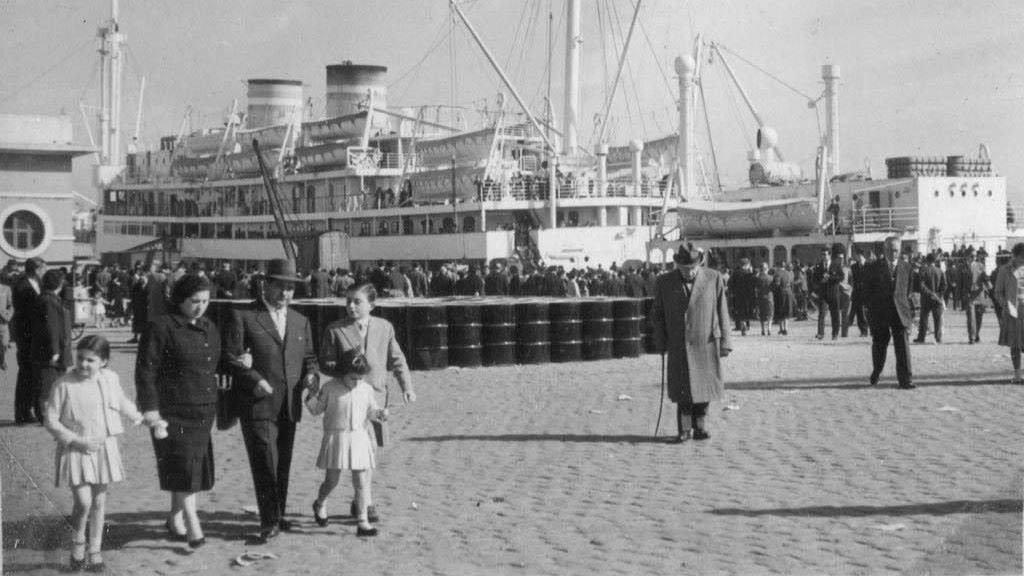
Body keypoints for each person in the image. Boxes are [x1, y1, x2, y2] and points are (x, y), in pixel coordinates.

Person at [224, 259, 319, 542]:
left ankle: (278, 513)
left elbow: (309, 359)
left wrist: (312, 376)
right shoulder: (243, 316)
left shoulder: (301, 321)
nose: (286, 294)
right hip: (257, 402)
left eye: (291, 289)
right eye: (281, 287)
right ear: (266, 285)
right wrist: (254, 378)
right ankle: (268, 521)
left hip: (289, 403)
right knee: (265, 460)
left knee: (283, 461)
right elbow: (230, 358)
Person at [44, 335, 149, 572]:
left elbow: (121, 401)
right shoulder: (64, 383)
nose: (83, 364)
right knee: (83, 501)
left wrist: (138, 417)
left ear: (104, 361)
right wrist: (76, 441)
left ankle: (95, 550)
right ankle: (77, 542)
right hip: (76, 449)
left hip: (103, 448)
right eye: (80, 358)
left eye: (90, 360)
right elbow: (50, 420)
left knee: (100, 501)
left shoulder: (110, 379)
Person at [136, 274, 223, 548]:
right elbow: (145, 372)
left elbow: (217, 365)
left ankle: (175, 519)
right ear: (180, 300)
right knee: (184, 467)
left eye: (205, 301)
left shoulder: (210, 326)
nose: (200, 306)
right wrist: (150, 409)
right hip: (172, 411)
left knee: (189, 468)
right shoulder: (160, 327)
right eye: (194, 301)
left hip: (203, 409)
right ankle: (193, 526)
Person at [317, 282, 415, 527]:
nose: (350, 306)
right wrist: (344, 371)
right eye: (347, 301)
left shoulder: (384, 327)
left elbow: (397, 358)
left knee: (369, 452)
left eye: (357, 301)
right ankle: (367, 502)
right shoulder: (335, 329)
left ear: (371, 304)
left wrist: (407, 387)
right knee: (360, 449)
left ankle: (361, 500)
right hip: (347, 398)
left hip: (375, 397)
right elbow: (325, 362)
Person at [650, 246, 732, 443]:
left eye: (692, 267)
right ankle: (685, 430)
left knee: (704, 389)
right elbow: (657, 315)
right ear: (677, 265)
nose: (689, 271)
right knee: (683, 390)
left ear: (700, 263)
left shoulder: (713, 278)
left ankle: (701, 427)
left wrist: (726, 342)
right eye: (685, 268)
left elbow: (723, 311)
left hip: (706, 342)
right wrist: (660, 341)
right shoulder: (664, 282)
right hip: (679, 344)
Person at [306, 352, 388, 537]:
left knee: (360, 481)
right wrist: (310, 394)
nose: (356, 381)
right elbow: (315, 409)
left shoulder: (366, 389)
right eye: (353, 377)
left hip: (359, 438)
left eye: (360, 377)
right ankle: (319, 503)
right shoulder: (329, 388)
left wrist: (379, 414)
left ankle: (362, 522)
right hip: (337, 438)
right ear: (342, 372)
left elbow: (371, 411)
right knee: (332, 481)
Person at [862, 236, 914, 388]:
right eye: (890, 250)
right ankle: (877, 372)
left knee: (903, 347)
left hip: (900, 313)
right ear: (885, 250)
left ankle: (906, 380)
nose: (893, 254)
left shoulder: (907, 268)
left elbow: (908, 291)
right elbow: (867, 291)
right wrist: (870, 312)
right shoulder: (873, 267)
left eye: (896, 250)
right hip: (880, 313)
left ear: (900, 250)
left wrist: (909, 314)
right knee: (879, 346)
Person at [30, 269, 72, 421]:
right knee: (48, 383)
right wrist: (55, 350)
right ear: (59, 283)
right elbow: (51, 327)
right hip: (51, 351)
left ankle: (48, 413)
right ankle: (46, 415)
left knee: (49, 382)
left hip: (49, 349)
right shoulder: (49, 300)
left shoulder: (48, 298)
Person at [12, 257, 45, 423]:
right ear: (37, 269)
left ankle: (29, 409)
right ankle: (21, 412)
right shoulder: (21, 284)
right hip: (25, 333)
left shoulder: (37, 281)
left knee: (33, 373)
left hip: (34, 333)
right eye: (42, 268)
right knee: (25, 372)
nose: (44, 271)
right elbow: (24, 310)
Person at [993, 243, 1024, 383]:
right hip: (1013, 312)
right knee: (1015, 344)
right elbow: (998, 292)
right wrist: (1006, 306)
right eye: (1022, 258)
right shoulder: (1004, 270)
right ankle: (1017, 375)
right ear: (1015, 256)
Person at [914, 253, 946, 343]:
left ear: (927, 261)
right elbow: (944, 285)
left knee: (924, 318)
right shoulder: (940, 271)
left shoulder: (924, 270)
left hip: (926, 298)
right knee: (938, 319)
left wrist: (930, 293)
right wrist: (938, 294)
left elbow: (922, 285)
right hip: (937, 299)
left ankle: (921, 337)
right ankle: (938, 337)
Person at [963, 249, 990, 344]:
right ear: (967, 256)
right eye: (971, 255)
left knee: (979, 317)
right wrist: (959, 296)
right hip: (969, 295)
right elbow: (959, 282)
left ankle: (976, 334)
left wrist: (989, 285)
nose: (973, 257)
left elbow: (985, 278)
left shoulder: (981, 266)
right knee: (971, 317)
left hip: (979, 294)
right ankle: (972, 338)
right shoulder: (962, 267)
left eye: (974, 255)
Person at [771, 261, 796, 335]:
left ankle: (781, 328)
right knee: (786, 311)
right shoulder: (789, 273)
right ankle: (786, 328)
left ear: (778, 266)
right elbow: (792, 284)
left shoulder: (777, 273)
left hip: (780, 293)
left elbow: (777, 284)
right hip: (789, 292)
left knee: (780, 310)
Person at [754, 261, 774, 336]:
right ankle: (769, 329)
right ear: (767, 269)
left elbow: (755, 288)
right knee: (770, 313)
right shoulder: (771, 278)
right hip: (769, 296)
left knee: (762, 313)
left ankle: (763, 330)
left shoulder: (757, 278)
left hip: (760, 297)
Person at [0, 279, 11, 371]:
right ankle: (2, 362)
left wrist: (8, 315)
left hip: (2, 321)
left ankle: (2, 358)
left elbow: (10, 305)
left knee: (4, 343)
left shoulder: (6, 289)